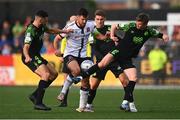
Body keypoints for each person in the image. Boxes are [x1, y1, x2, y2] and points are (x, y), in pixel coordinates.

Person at [74, 12, 169, 112]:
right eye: (137, 23)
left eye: (140, 24)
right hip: (116, 52)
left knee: (131, 79)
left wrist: (164, 36)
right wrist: (111, 36)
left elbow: (160, 34)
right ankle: (81, 80)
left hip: (125, 58)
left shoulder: (149, 31)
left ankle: (127, 103)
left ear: (146, 24)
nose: (138, 25)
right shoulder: (129, 26)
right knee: (99, 70)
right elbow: (113, 28)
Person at [21, 10, 72, 111]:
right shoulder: (31, 30)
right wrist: (27, 57)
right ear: (40, 19)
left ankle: (35, 95)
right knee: (46, 75)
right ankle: (38, 103)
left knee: (54, 74)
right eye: (46, 20)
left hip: (36, 55)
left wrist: (64, 31)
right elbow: (25, 47)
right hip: (30, 56)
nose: (47, 22)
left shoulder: (42, 26)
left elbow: (51, 31)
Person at [53, 8, 98, 112]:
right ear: (77, 17)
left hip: (84, 56)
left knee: (86, 81)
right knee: (76, 71)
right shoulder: (70, 27)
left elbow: (97, 34)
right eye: (82, 19)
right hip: (70, 54)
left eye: (86, 19)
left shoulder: (90, 25)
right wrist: (56, 51)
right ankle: (63, 92)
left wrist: (105, 37)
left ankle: (82, 107)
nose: (84, 21)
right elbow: (57, 38)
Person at [84, 10, 128, 112]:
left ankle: (126, 103)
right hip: (101, 63)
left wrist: (119, 42)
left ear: (105, 19)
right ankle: (89, 105)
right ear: (95, 19)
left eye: (101, 19)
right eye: (97, 19)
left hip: (113, 61)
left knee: (125, 81)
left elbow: (118, 40)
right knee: (94, 85)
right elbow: (94, 49)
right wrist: (103, 60)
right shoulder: (92, 32)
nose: (99, 21)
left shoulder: (109, 29)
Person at [56, 15, 77, 107]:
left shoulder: (81, 33)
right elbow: (61, 43)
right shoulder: (66, 32)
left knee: (84, 79)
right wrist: (61, 56)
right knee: (65, 80)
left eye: (73, 21)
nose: (71, 23)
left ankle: (87, 103)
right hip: (67, 57)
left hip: (79, 57)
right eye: (70, 21)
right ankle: (64, 101)